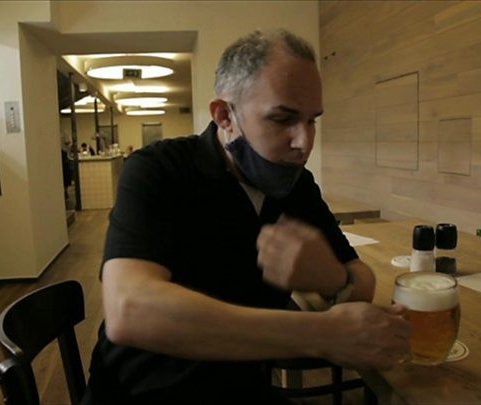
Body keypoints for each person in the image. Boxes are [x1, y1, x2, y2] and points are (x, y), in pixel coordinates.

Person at [83, 29, 411, 404]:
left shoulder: (297, 186)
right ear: (225, 115)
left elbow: (361, 279)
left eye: (311, 121)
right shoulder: (158, 169)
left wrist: (336, 279)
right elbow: (130, 310)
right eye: (282, 119)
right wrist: (321, 333)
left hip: (242, 390)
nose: (304, 142)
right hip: (141, 394)